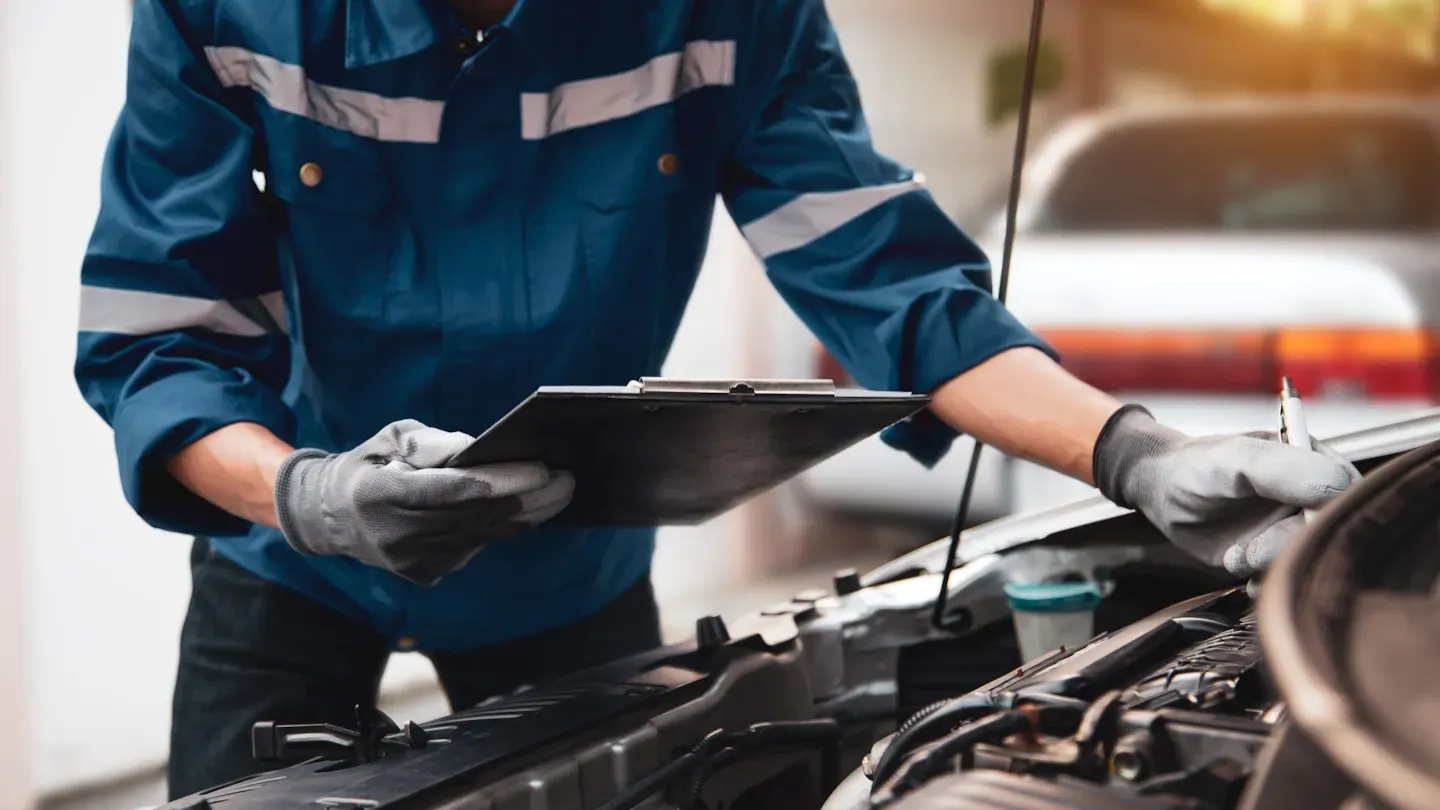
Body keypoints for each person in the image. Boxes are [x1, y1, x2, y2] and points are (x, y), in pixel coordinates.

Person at [76, 0, 1359, 799]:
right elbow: (159, 337)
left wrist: (1134, 453)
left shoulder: (727, 10)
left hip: (567, 577)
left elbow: (895, 286)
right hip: (291, 567)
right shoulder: (223, 4)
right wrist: (305, 494)